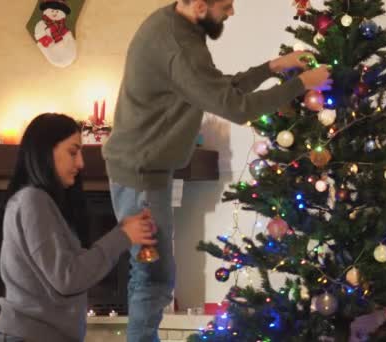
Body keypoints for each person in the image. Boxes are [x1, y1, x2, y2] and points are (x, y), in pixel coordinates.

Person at [102, 1, 332, 340]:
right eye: (225, 6)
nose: (231, 12)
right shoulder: (178, 46)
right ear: (198, 6)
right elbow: (236, 108)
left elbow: (213, 88)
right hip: (140, 175)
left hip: (144, 169)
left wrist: (272, 67)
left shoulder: (177, 27)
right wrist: (302, 84)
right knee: (153, 278)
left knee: (152, 275)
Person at [0, 113, 157, 342]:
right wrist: (122, 236)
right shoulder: (32, 201)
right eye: (72, 151)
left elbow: (68, 271)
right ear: (46, 151)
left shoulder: (38, 202)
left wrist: (125, 230)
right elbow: (68, 278)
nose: (81, 163)